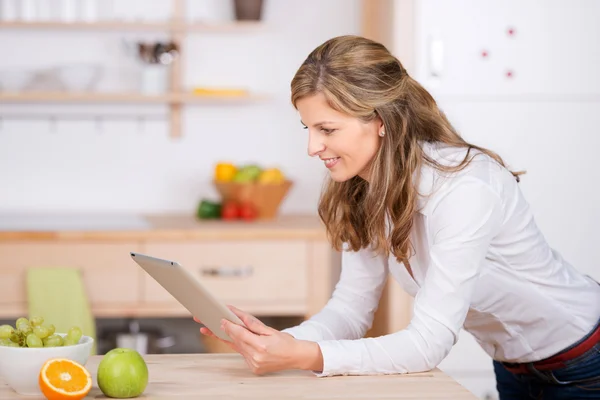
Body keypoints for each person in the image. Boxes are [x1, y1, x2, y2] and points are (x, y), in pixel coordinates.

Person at [194, 35, 600, 399]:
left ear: (381, 121)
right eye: (307, 127)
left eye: (327, 129)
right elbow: (351, 309)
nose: (312, 147)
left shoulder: (465, 189)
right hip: (514, 368)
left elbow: (429, 343)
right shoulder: (361, 187)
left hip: (586, 361)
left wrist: (306, 355)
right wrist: (276, 341)